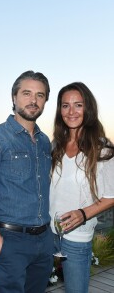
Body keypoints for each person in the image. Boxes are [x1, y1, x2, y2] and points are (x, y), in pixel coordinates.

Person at [0, 70, 54, 293]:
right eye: (26, 93)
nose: (33, 100)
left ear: (45, 101)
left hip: (44, 240)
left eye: (40, 95)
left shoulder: (45, 143)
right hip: (10, 240)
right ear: (14, 97)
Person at [50, 82, 114, 293]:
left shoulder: (101, 148)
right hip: (48, 234)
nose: (71, 111)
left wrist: (82, 214)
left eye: (78, 105)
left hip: (77, 237)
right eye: (65, 105)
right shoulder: (55, 145)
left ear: (89, 109)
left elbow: (111, 195)